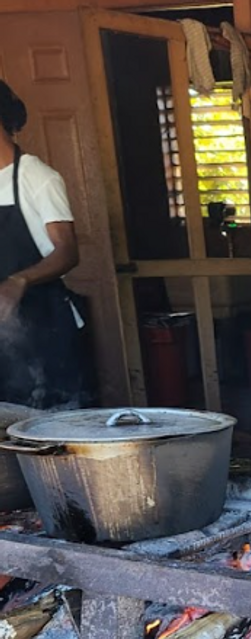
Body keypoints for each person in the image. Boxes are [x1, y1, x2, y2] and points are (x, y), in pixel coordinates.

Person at [0, 79, 83, 409]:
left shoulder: (36, 177)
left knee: (50, 439)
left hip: (44, 332)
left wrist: (19, 280)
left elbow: (67, 251)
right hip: (5, 340)